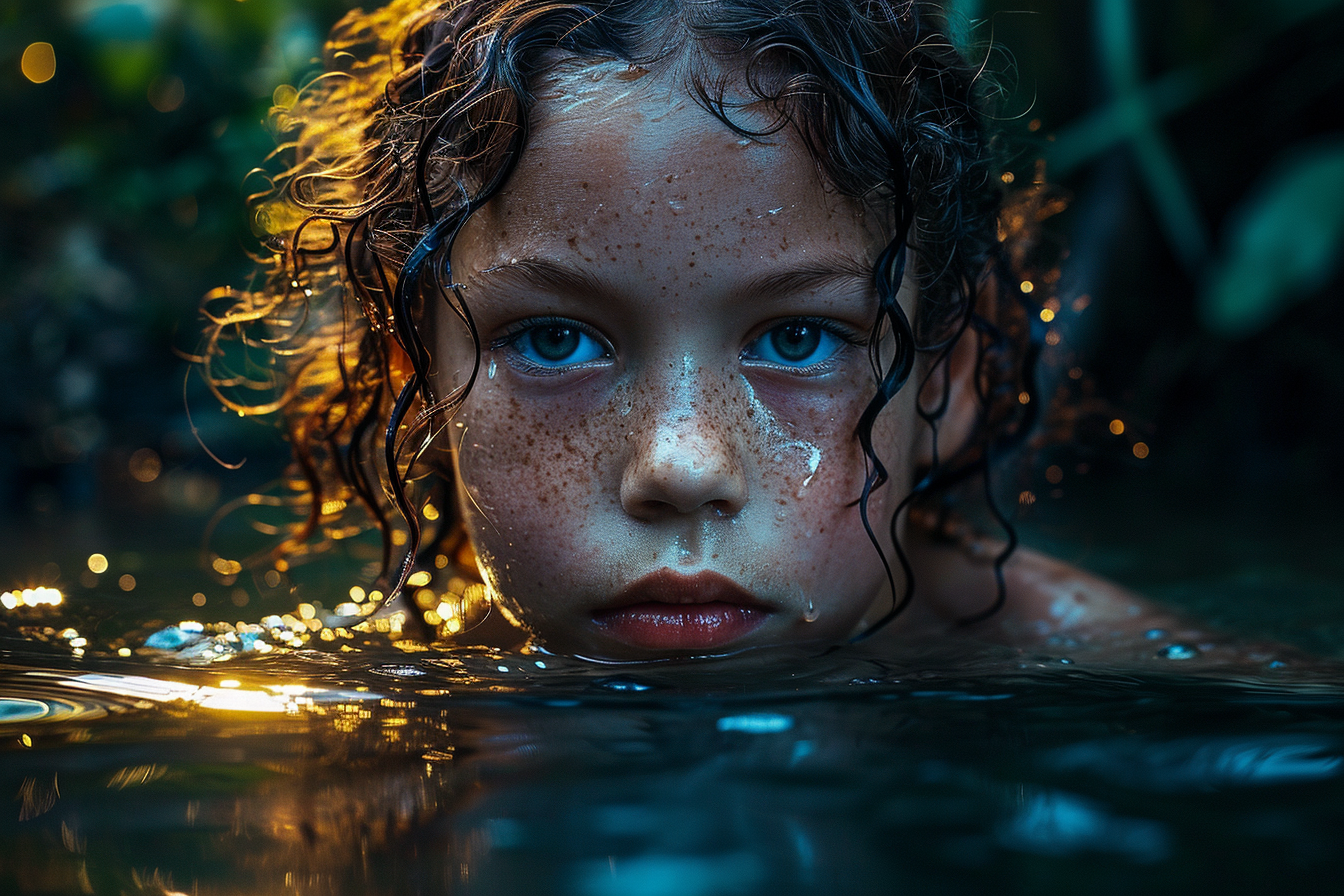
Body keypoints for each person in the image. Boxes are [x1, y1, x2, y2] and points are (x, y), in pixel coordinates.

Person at [199, 0, 1238, 664]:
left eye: (797, 340)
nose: (681, 465)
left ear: (943, 382)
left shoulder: (1110, 665)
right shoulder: (400, 688)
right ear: (421, 385)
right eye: (556, 340)